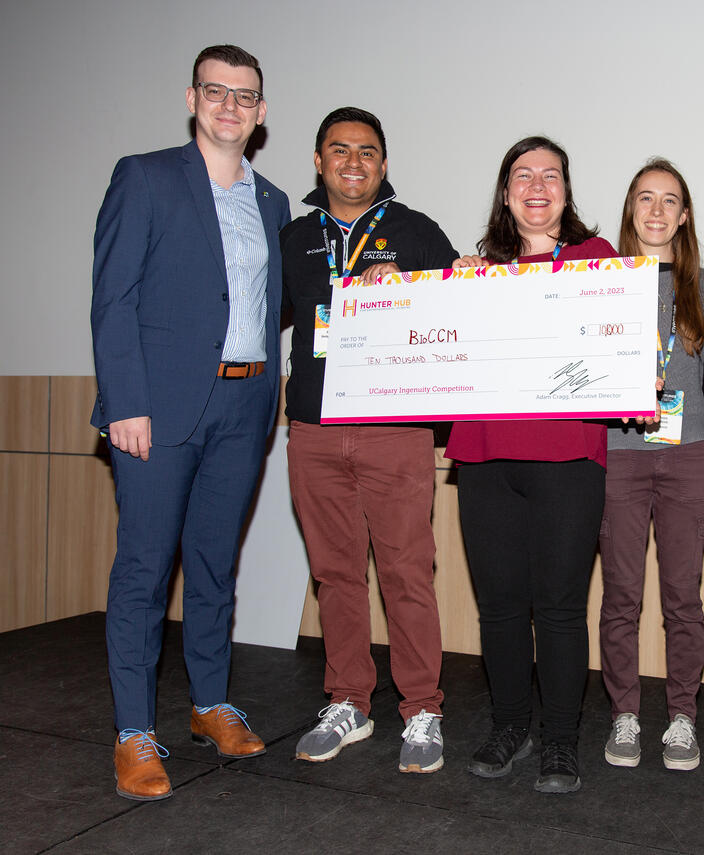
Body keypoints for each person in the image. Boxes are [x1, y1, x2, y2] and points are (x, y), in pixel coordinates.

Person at [90, 44, 290, 801]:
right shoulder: (143, 176)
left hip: (244, 407)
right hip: (159, 408)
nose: (230, 106)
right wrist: (125, 402)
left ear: (261, 111)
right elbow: (113, 298)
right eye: (217, 91)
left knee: (213, 565)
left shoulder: (271, 201)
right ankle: (134, 732)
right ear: (192, 97)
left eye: (245, 96)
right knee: (144, 572)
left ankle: (210, 703)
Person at [280, 107, 458, 772]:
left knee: (408, 573)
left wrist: (414, 290)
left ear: (383, 165)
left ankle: (423, 710)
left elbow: (454, 319)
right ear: (320, 162)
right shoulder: (294, 237)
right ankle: (348, 699)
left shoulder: (415, 232)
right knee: (335, 574)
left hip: (394, 431)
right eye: (339, 150)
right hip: (315, 432)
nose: (353, 162)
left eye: (367, 152)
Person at [446, 136, 617, 794]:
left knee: (560, 607)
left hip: (567, 458)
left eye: (551, 174)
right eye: (523, 174)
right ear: (506, 192)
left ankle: (561, 740)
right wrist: (453, 293)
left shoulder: (598, 261)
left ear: (567, 192)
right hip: (484, 455)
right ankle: (510, 725)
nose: (537, 184)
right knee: (498, 607)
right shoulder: (476, 269)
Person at [599, 159, 704, 771]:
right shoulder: (602, 278)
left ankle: (681, 718)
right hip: (618, 454)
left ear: (684, 214)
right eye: (645, 198)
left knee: (682, 597)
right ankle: (624, 714)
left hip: (689, 455)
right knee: (621, 594)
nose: (656, 211)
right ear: (630, 210)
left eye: (670, 200)